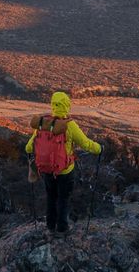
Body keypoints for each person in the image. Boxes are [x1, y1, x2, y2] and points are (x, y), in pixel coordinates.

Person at [25, 91, 101, 235]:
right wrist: (99, 149)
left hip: (46, 170)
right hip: (65, 171)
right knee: (63, 199)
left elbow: (28, 147)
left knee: (51, 198)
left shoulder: (43, 124)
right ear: (67, 106)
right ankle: (62, 229)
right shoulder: (69, 125)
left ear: (53, 105)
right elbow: (85, 144)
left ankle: (50, 227)